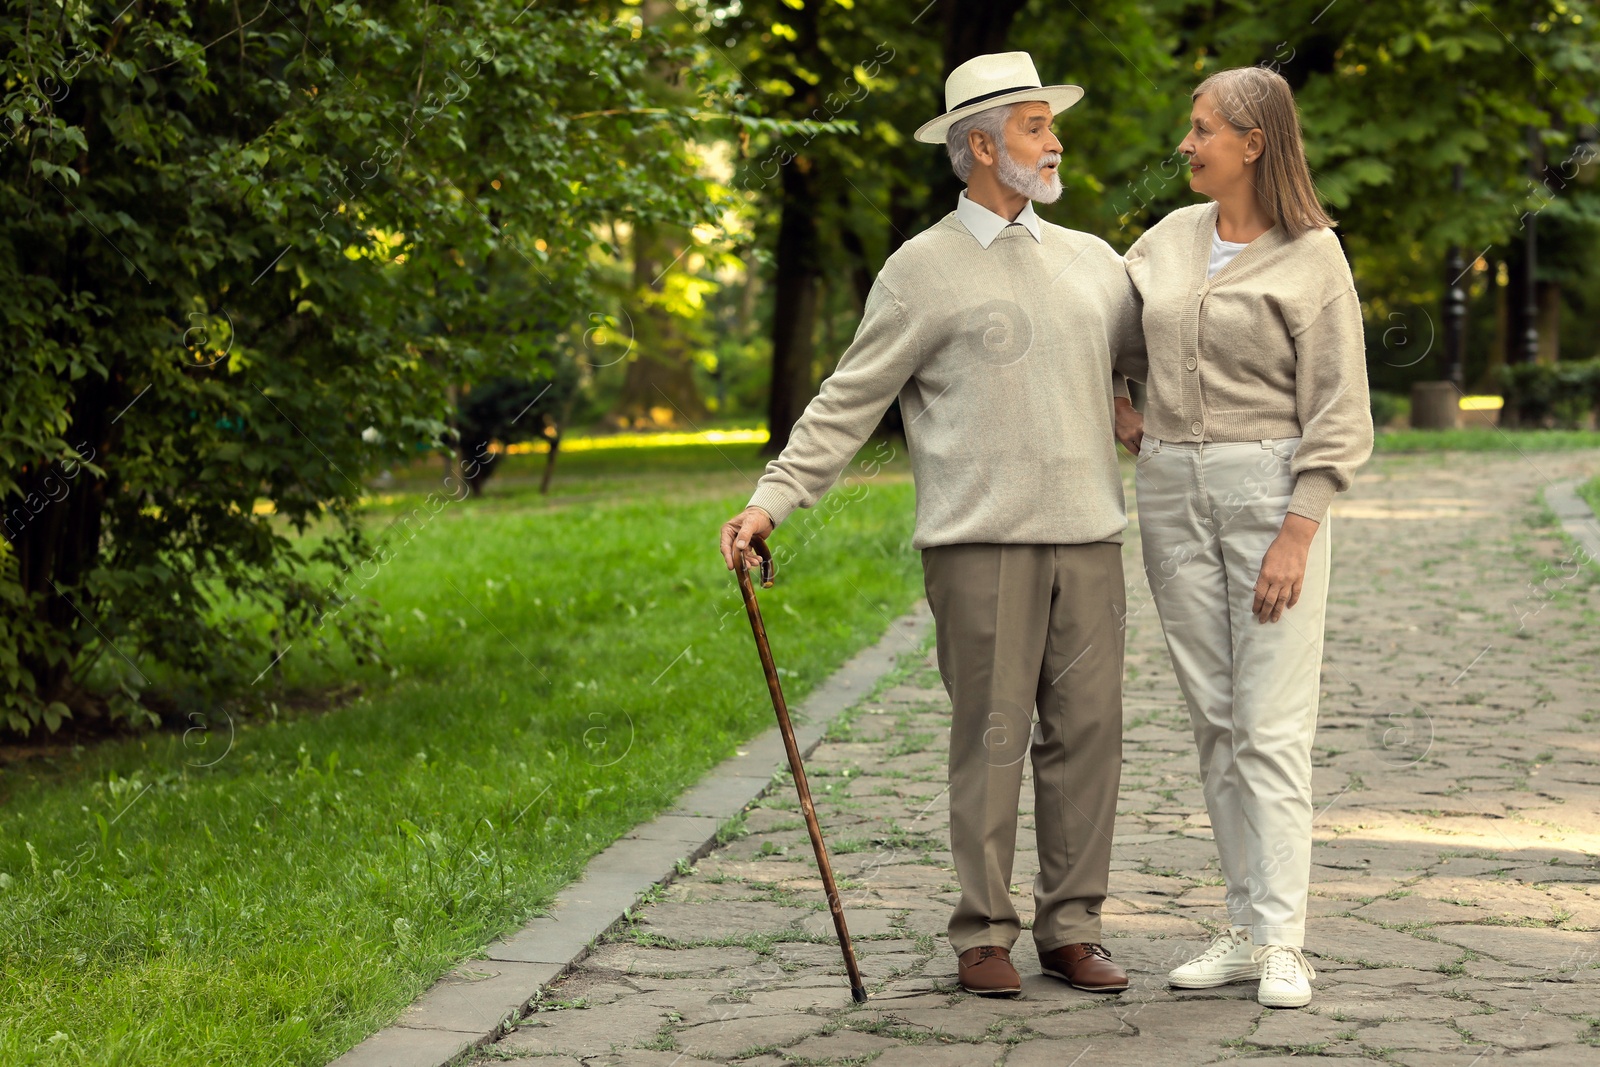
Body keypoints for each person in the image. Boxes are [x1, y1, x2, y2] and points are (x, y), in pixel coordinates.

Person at [718, 51, 1145, 997]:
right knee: (991, 738)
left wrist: (1130, 399)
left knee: (1089, 735)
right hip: (977, 543)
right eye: (1037, 126)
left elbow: (1149, 361)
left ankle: (1072, 926)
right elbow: (848, 398)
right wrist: (771, 498)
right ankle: (982, 933)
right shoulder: (922, 270)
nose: (1056, 139)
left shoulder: (1094, 260)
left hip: (1090, 536)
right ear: (983, 146)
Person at [1115, 65, 1373, 1009]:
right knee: (1215, 719)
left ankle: (1286, 940)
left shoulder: (1314, 257)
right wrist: (1116, 396)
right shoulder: (1167, 241)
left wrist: (1298, 530)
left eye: (1203, 129)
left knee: (1270, 721)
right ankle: (1242, 923)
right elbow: (1096, 327)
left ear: (1254, 143)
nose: (1186, 144)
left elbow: (1341, 410)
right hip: (1171, 486)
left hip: (1269, 490)